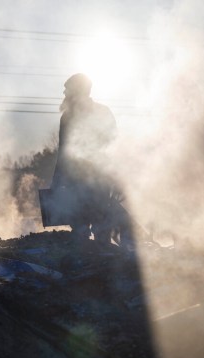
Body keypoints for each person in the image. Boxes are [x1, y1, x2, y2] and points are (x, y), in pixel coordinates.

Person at [51, 73, 125, 243]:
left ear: (78, 91)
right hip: (90, 182)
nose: (64, 94)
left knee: (89, 230)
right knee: (93, 230)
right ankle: (95, 264)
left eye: (67, 90)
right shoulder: (98, 112)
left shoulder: (71, 117)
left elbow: (64, 153)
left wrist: (57, 184)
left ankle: (94, 265)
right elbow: (64, 153)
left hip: (93, 181)